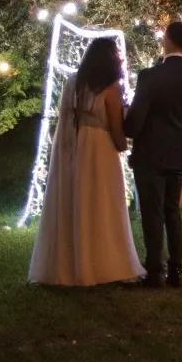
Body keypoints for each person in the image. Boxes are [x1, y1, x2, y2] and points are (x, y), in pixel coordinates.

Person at [29, 36, 144, 287]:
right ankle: (104, 264)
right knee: (102, 202)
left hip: (76, 146)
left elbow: (66, 117)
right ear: (110, 59)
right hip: (100, 148)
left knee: (75, 199)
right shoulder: (110, 87)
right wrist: (124, 147)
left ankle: (70, 264)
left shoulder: (73, 81)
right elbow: (115, 126)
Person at [125, 21, 182, 288]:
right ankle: (176, 270)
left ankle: (155, 271)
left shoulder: (150, 76)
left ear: (167, 39)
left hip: (150, 153)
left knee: (152, 212)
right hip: (179, 151)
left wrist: (124, 125)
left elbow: (135, 121)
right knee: (172, 210)